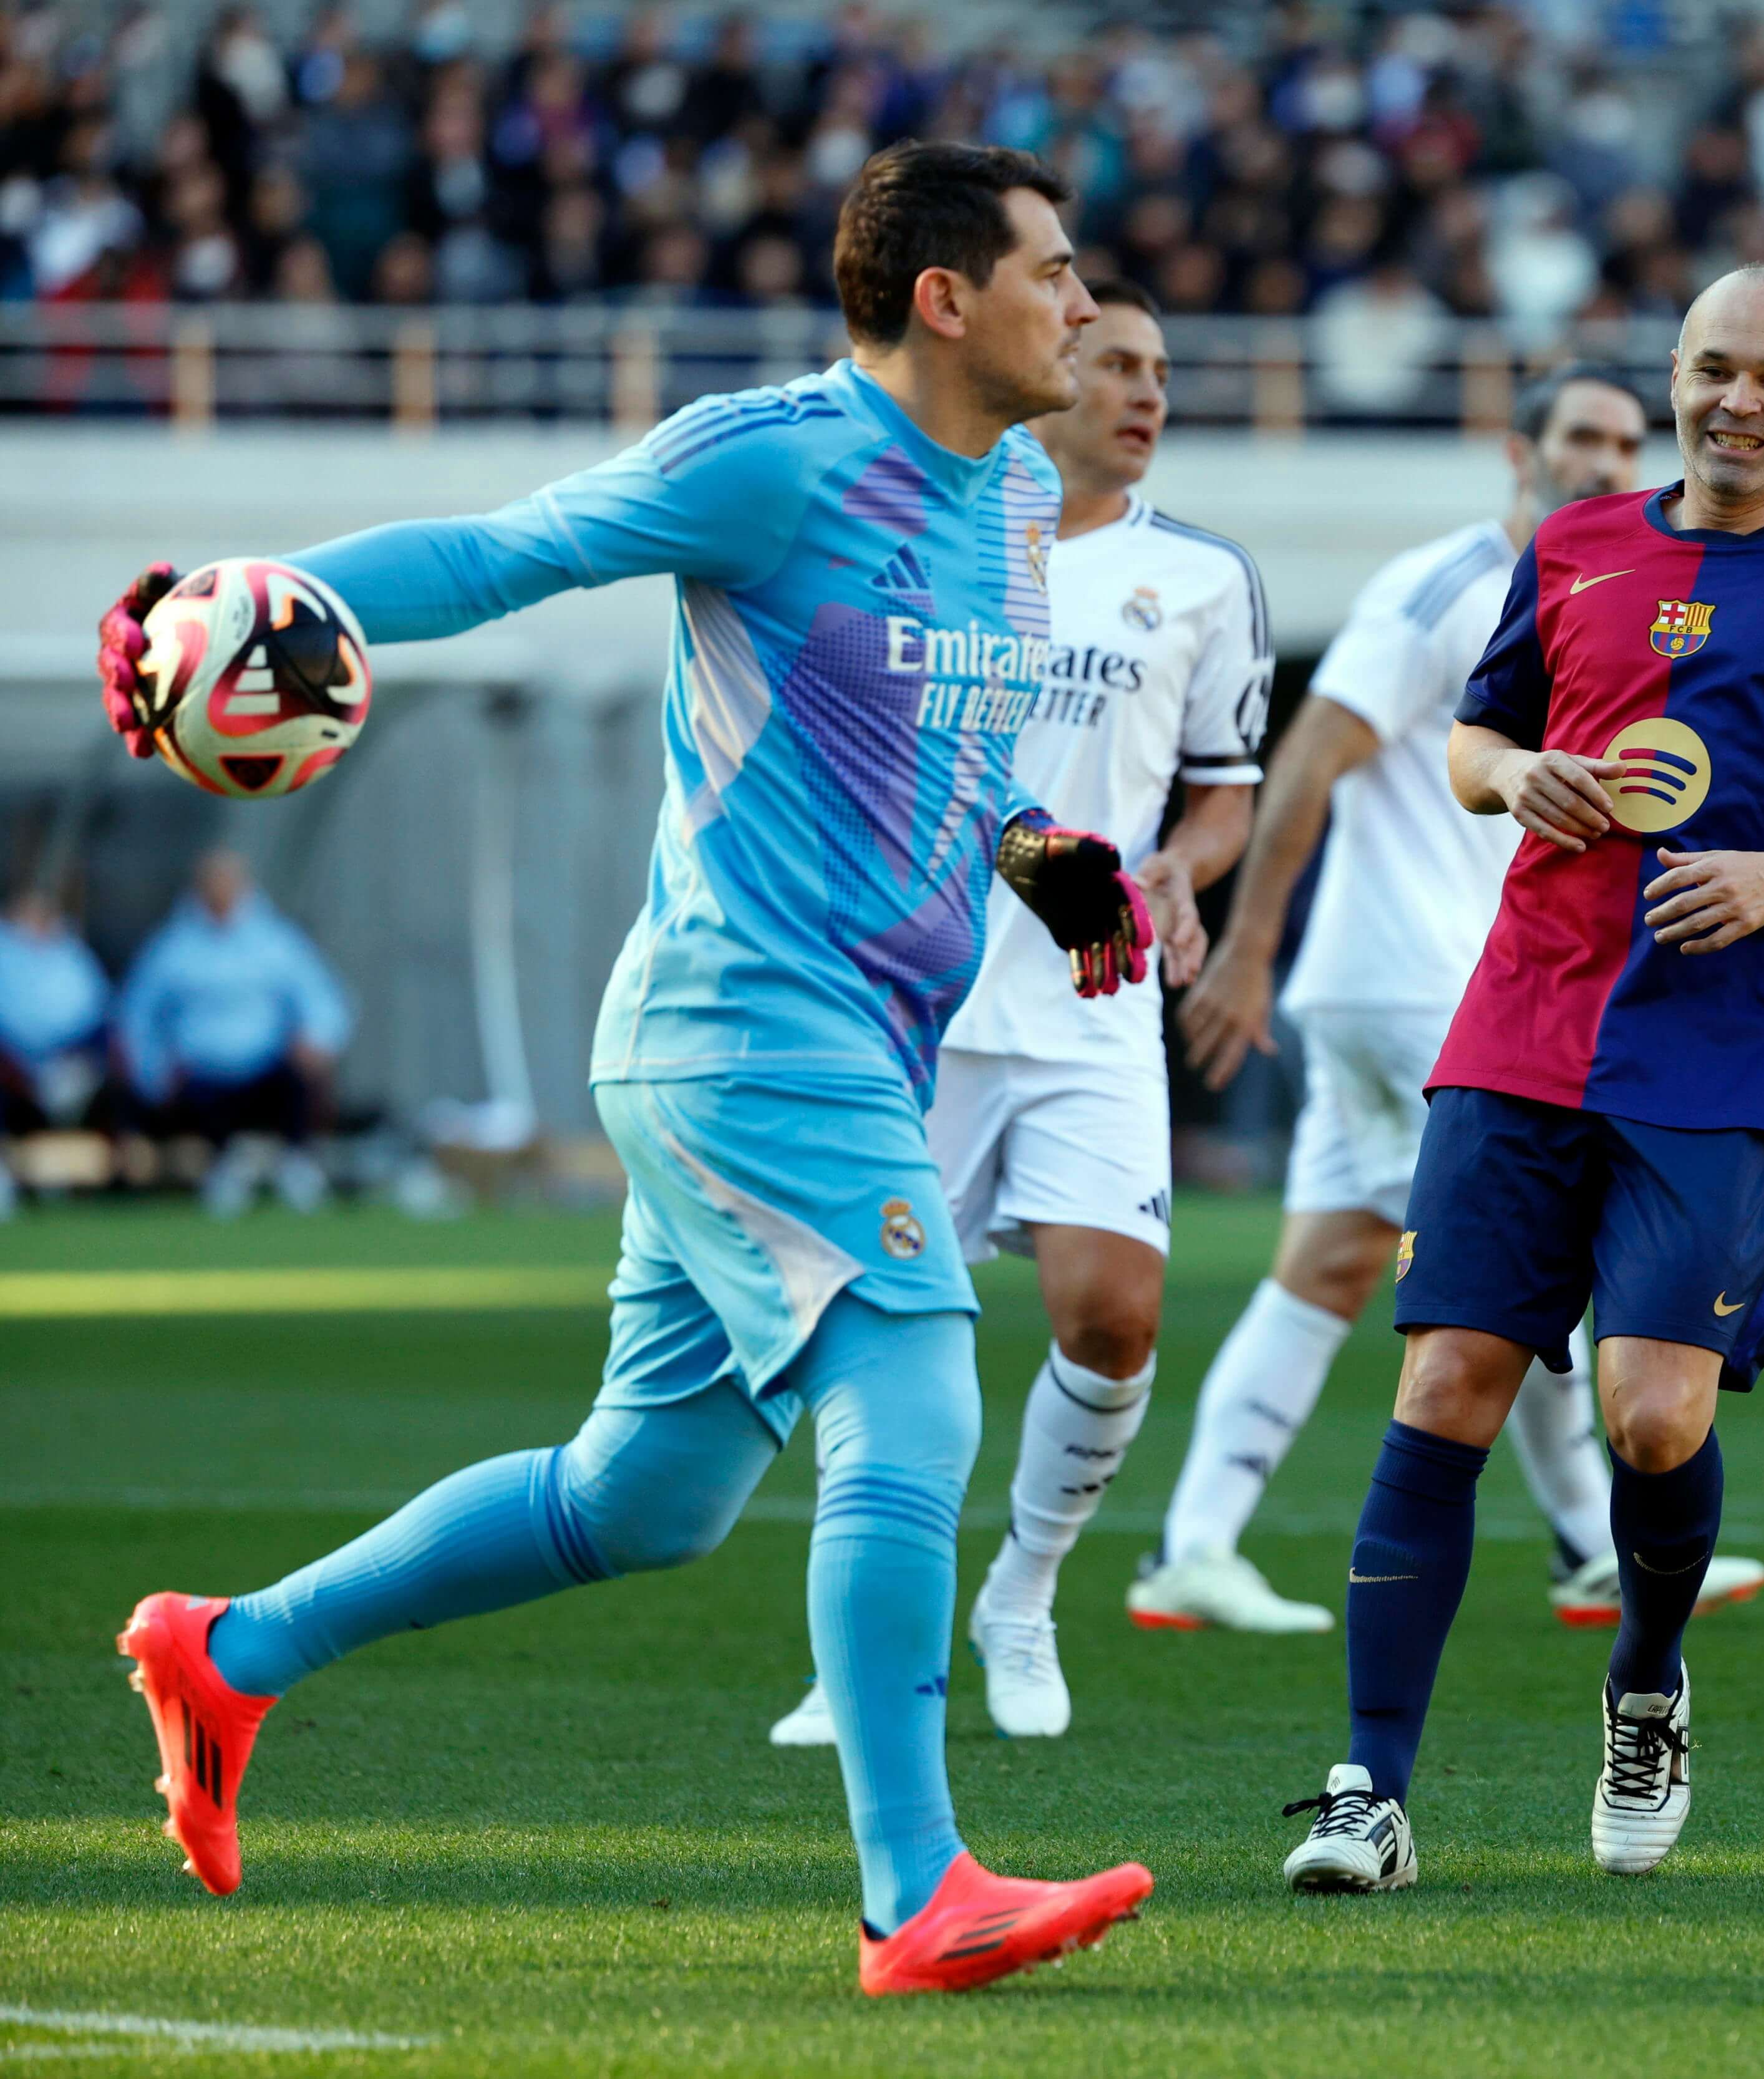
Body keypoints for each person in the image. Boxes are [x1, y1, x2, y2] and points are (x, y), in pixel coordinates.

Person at [94, 142, 1158, 1995]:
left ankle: (229, 1651)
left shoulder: (1005, 496)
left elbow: (949, 745)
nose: (1082, 304)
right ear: (942, 298)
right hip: (750, 1023)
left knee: (643, 1496)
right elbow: (501, 552)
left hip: (830, 1044)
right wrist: (230, 597)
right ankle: (915, 1887)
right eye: (1052, 271)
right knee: (913, 1371)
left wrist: (1048, 865)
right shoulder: (774, 458)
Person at [1277, 266, 1764, 1893]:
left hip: (1716, 1052)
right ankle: (1369, 1790)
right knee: (1445, 1385)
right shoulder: (1575, 544)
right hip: (1521, 1025)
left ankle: (1647, 1685)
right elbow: (1472, 744)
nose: (1738, 400)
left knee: (1653, 1417)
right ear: (1675, 377)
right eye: (1713, 368)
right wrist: (1518, 771)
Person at [1160, 363, 1764, 1636]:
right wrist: (1249, 944)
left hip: (1418, 984)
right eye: (1581, 436)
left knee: (1327, 1262)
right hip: (1416, 985)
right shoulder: (1445, 585)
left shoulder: (1606, 587)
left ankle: (1192, 1547)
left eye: (1624, 442)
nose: (1606, 461)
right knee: (1517, 1262)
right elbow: (1310, 755)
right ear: (1518, 451)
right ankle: (1592, 1545)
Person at [763, 277, 1268, 1748]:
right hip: (914, 992)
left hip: (1094, 996)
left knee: (1115, 1320)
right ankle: (861, 1656)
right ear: (1047, 371)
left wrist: (1180, 868)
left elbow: (1224, 790)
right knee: (877, 1337)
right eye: (1116, 361)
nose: (1146, 390)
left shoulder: (1205, 578)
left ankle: (1023, 1598)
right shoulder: (933, 539)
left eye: (1161, 369)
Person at [113, 850, 351, 1215]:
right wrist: (153, 1069)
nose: (221, 891)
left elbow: (323, 998)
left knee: (299, 1080)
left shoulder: (275, 940)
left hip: (266, 1067)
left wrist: (316, 1037)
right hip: (201, 1074)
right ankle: (223, 1169)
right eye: (213, 884)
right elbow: (136, 1013)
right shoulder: (173, 946)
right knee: (191, 1096)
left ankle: (297, 1165)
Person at [0, 886, 112, 1138]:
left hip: (73, 1062)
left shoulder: (71, 954)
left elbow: (99, 1008)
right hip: (14, 1067)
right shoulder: (6, 953)